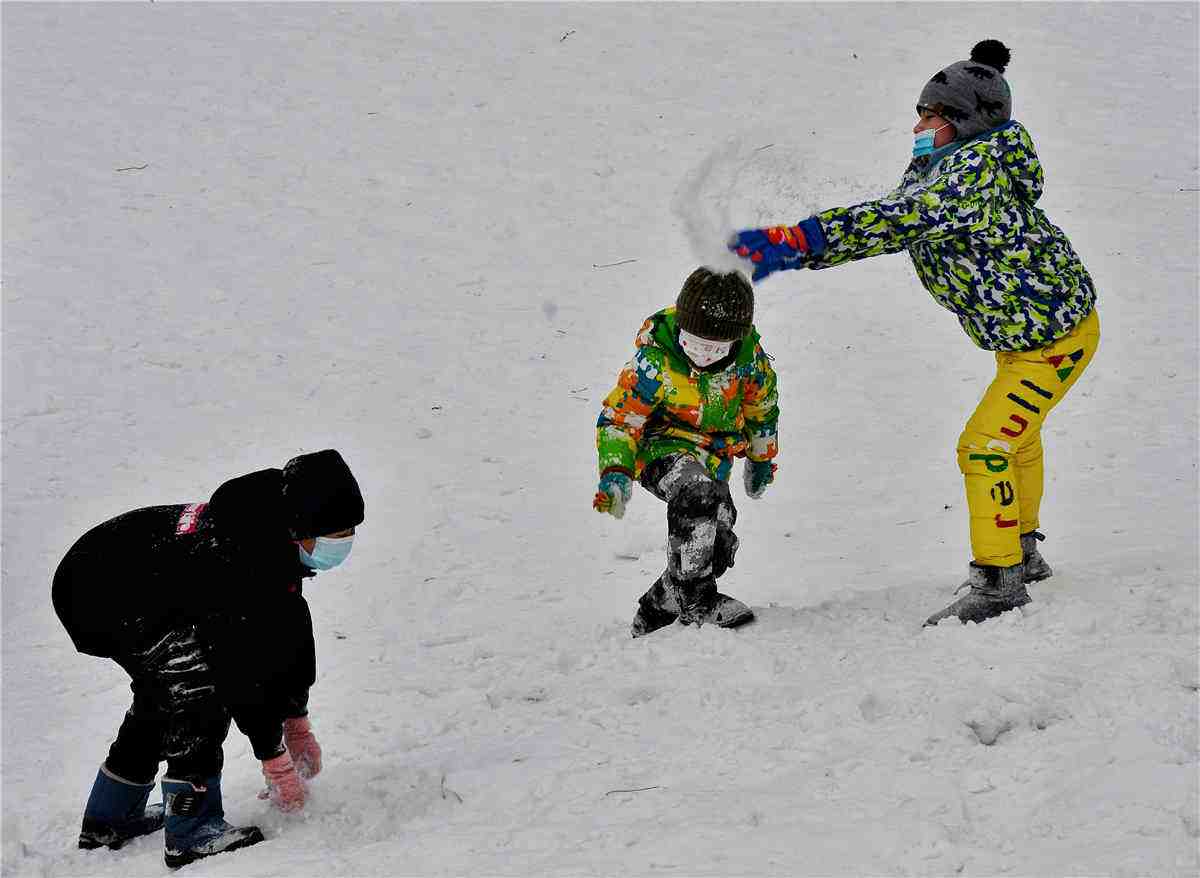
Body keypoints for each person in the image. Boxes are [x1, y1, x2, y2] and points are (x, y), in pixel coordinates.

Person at [728, 39, 1099, 626]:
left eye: (934, 115)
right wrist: (810, 245)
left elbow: (902, 219)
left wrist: (804, 241)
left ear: (967, 122)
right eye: (920, 112)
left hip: (1052, 343)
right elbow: (902, 209)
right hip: (1026, 336)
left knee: (985, 446)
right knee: (1017, 439)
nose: (920, 124)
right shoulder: (943, 162)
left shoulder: (971, 176)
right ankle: (1024, 553)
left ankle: (1001, 581)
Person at [52, 449, 364, 868]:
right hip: (98, 593)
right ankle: (191, 830)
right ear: (300, 529)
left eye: (348, 532)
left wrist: (296, 718)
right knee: (199, 689)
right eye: (333, 532)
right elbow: (235, 668)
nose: (340, 543)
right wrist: (273, 758)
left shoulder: (274, 532)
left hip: (120, 580)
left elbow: (287, 631)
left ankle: (109, 819)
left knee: (160, 694)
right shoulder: (236, 556)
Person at [593, 267, 780, 636]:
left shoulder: (750, 365)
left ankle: (655, 609)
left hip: (713, 457)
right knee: (697, 497)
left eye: (714, 349)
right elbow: (620, 419)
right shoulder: (655, 362)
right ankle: (698, 601)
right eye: (693, 344)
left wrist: (761, 459)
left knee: (716, 540)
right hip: (660, 448)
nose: (703, 356)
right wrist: (615, 470)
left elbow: (762, 411)